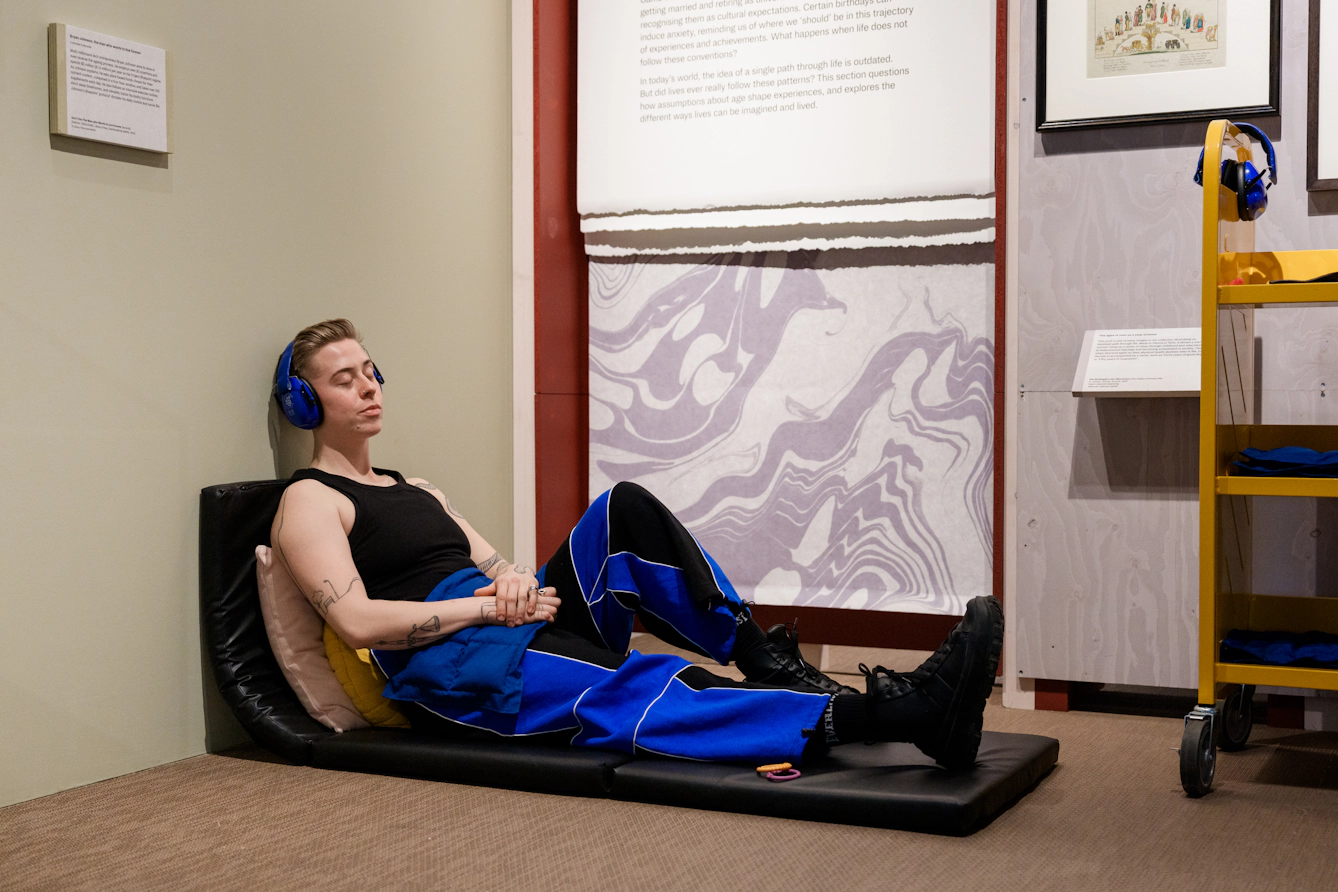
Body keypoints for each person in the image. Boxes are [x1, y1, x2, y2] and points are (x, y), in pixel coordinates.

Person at [270, 319, 1003, 769]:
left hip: (503, 624)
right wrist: (489, 611)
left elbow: (495, 566)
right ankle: (899, 716)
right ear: (306, 404)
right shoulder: (310, 500)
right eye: (343, 380)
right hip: (456, 671)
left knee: (624, 511)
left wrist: (516, 585)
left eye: (371, 371)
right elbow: (359, 624)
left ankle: (765, 659)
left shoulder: (416, 486)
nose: (368, 388)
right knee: (641, 685)